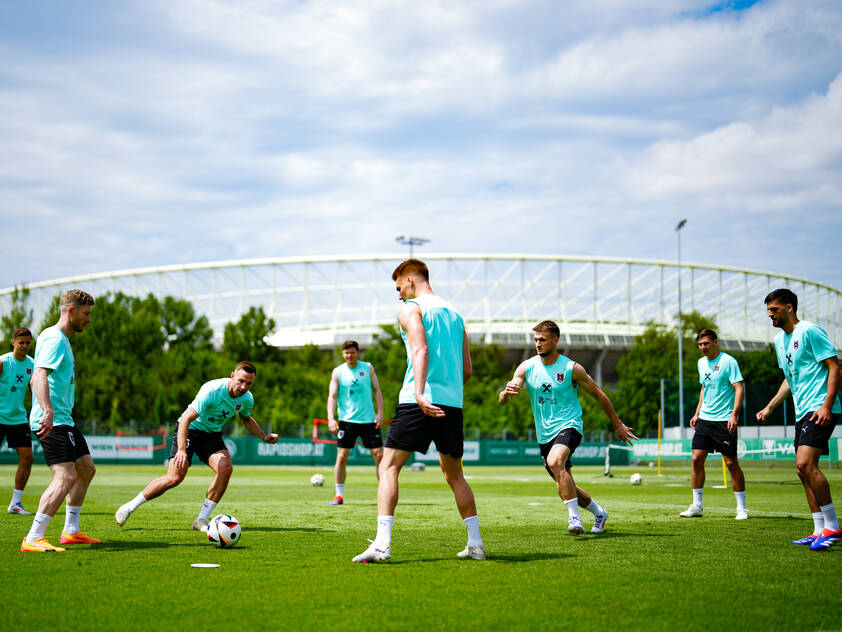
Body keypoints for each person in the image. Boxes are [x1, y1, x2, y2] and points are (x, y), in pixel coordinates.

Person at [353, 259, 484, 562]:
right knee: (455, 475)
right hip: (452, 403)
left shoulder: (412, 309)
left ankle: (382, 545)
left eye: (398, 287)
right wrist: (446, 391)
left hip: (418, 401)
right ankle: (476, 543)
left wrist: (420, 393)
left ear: (410, 279)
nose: (398, 294)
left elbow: (420, 349)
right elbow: (467, 370)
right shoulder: (456, 315)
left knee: (388, 467)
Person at [498, 320, 637, 535]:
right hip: (544, 435)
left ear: (555, 340)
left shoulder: (572, 368)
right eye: (536, 340)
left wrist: (617, 424)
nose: (538, 344)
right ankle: (599, 512)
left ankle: (574, 519)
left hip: (569, 425)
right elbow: (503, 399)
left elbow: (599, 394)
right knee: (565, 485)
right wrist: (507, 393)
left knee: (555, 461)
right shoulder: (526, 367)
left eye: (542, 340)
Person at [115, 361, 278, 530]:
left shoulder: (247, 399)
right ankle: (129, 507)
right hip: (190, 430)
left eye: (249, 383)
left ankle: (201, 519)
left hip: (212, 435)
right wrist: (181, 450)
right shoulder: (213, 390)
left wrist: (263, 436)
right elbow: (186, 418)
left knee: (225, 468)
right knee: (174, 478)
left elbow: (245, 419)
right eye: (241, 381)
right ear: (233, 376)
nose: (244, 387)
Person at [757, 289, 841, 551]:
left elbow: (835, 367)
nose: (770, 314)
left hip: (819, 407)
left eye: (775, 310)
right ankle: (818, 529)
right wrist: (770, 407)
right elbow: (789, 379)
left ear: (789, 307)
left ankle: (834, 527)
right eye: (768, 310)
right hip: (801, 411)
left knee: (806, 464)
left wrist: (827, 405)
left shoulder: (810, 331)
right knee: (802, 470)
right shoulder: (779, 341)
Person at [22, 290, 98, 552]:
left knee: (86, 469)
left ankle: (71, 531)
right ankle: (33, 536)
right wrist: (47, 410)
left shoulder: (60, 338)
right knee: (65, 477)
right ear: (71, 311)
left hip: (64, 419)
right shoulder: (55, 339)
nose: (88, 320)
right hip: (53, 420)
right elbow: (39, 376)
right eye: (86, 314)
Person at [680, 329, 748, 520]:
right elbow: (704, 388)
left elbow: (739, 388)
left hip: (724, 420)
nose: (702, 348)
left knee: (731, 463)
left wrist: (734, 414)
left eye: (706, 344)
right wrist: (697, 413)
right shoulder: (701, 363)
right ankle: (697, 506)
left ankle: (741, 508)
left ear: (715, 342)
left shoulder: (728, 362)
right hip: (705, 420)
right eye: (700, 345)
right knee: (696, 460)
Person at [326, 340, 385, 505]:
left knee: (379, 456)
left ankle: (384, 493)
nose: (349, 355)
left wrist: (380, 413)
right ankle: (339, 495)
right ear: (343, 354)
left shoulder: (368, 368)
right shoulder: (337, 372)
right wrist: (331, 418)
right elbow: (332, 397)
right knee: (342, 456)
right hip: (346, 421)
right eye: (346, 353)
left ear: (357, 353)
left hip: (369, 420)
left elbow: (377, 390)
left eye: (352, 352)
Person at [1, 328, 36, 515]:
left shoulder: (32, 364)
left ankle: (15, 503)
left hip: (18, 419)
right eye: (21, 342)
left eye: (27, 343)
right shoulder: (3, 362)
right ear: (13, 342)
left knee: (28, 458)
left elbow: (37, 389)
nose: (24, 346)